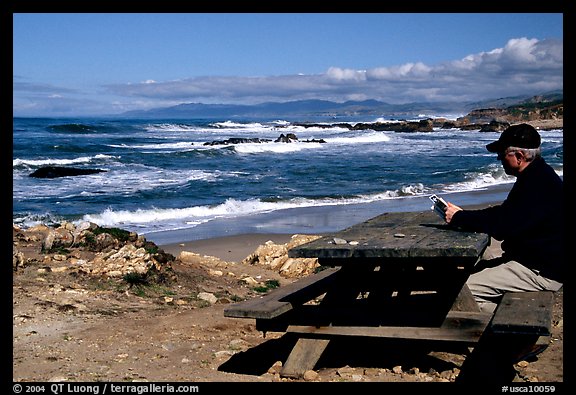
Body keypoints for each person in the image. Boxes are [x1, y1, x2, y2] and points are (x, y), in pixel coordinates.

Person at [444, 123, 563, 314]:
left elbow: (503, 225)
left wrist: (459, 218)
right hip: (538, 262)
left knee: (463, 291)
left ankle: (520, 329)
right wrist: (462, 215)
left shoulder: (536, 184)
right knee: (475, 268)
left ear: (519, 157)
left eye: (502, 153)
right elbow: (506, 215)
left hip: (541, 271)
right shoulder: (538, 175)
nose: (499, 158)